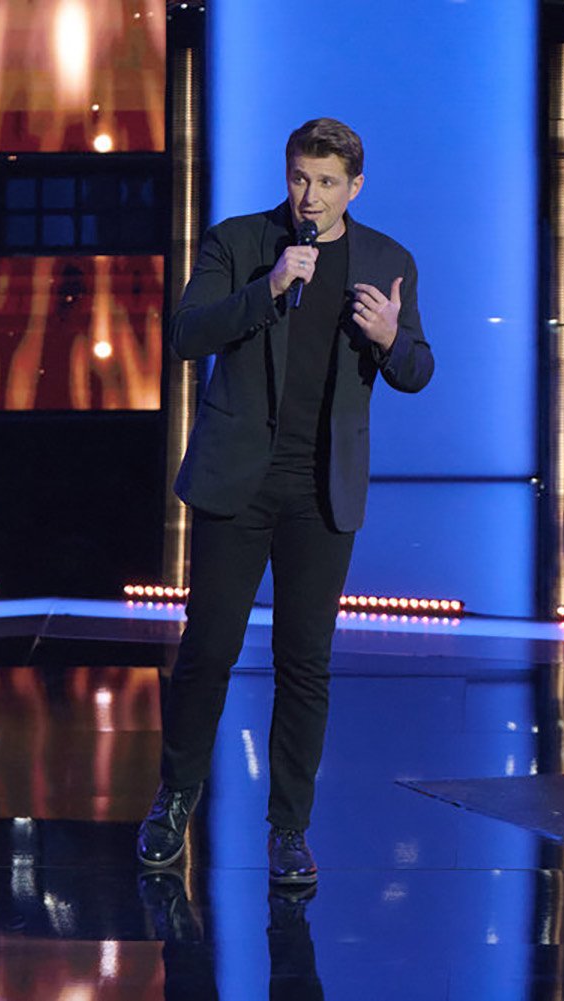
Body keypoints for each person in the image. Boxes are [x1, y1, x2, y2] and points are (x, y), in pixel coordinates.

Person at [137, 118, 434, 884]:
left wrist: (390, 338)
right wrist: (267, 290)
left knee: (305, 663)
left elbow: (418, 369)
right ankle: (175, 798)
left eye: (327, 182)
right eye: (301, 177)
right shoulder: (239, 242)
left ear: (355, 186)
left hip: (320, 489)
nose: (311, 196)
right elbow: (186, 334)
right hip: (238, 480)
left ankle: (290, 828)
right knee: (208, 650)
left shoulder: (387, 260)